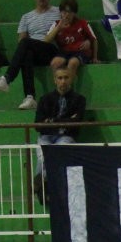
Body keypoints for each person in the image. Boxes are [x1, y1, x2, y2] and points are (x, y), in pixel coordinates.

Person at [0, 0, 60, 111]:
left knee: (26, 43)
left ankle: (7, 78)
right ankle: (30, 97)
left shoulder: (58, 12)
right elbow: (21, 39)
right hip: (35, 51)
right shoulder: (26, 17)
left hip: (51, 50)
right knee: (26, 54)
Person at [32, 63, 84, 204]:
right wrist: (66, 120)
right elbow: (38, 125)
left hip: (67, 137)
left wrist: (52, 121)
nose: (63, 81)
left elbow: (77, 122)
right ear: (55, 80)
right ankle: (44, 186)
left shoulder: (79, 99)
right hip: (46, 136)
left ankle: (40, 183)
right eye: (60, 78)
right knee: (43, 157)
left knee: (54, 153)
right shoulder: (45, 99)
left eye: (66, 77)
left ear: (71, 79)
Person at [45, 0, 97, 78]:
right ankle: (59, 86)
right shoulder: (56, 24)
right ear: (61, 12)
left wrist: (95, 57)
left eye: (70, 12)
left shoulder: (82, 23)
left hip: (80, 52)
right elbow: (46, 40)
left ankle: (67, 87)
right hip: (64, 53)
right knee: (55, 62)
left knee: (73, 62)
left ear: (74, 13)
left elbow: (94, 39)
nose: (67, 15)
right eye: (64, 12)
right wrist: (58, 28)